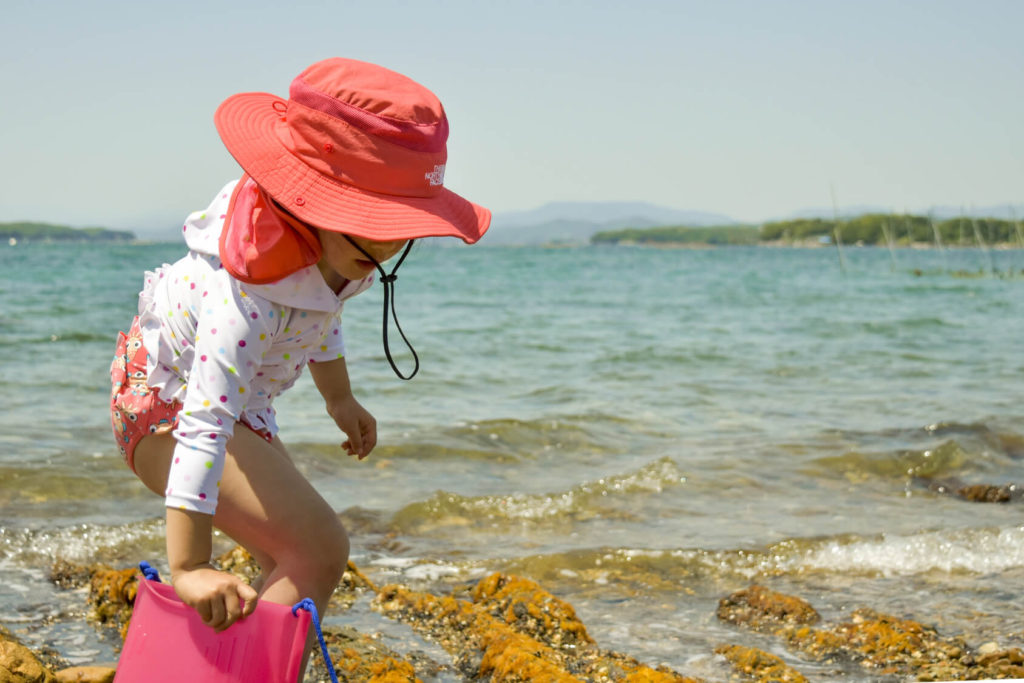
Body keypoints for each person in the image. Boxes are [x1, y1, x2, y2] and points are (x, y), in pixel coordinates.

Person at [108, 57, 490, 672]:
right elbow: (204, 423)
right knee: (317, 547)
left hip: (236, 409)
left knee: (286, 554)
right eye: (375, 224)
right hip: (166, 406)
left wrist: (339, 399)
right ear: (309, 200)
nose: (387, 245)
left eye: (399, 227)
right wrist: (191, 567)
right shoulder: (245, 297)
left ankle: (196, 667)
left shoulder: (340, 251)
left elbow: (322, 315)